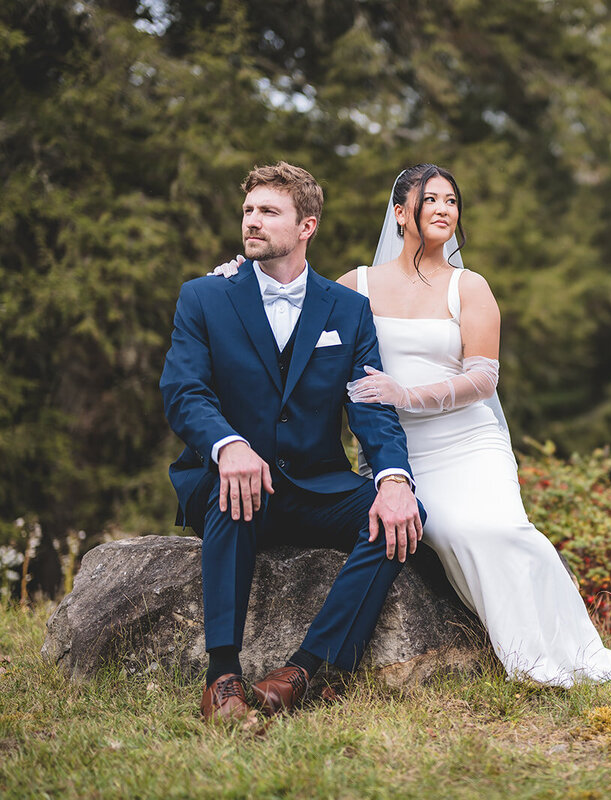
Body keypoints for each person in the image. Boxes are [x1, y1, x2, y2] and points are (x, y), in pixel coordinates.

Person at [218, 164, 611, 686]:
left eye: (451, 200)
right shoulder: (355, 286)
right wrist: (241, 276)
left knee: (497, 528)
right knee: (444, 529)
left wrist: (406, 394)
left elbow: (484, 378)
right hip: (399, 455)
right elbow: (292, 312)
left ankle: (561, 653)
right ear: (400, 214)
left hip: (468, 443)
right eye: (430, 200)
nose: (444, 209)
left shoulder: (469, 287)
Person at [161, 161, 425, 722]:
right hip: (233, 481)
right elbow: (184, 391)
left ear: (306, 226)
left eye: (268, 212)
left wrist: (394, 479)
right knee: (234, 495)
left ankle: (308, 669)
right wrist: (227, 445)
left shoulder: (347, 309)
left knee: (402, 515)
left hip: (314, 482)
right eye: (248, 211)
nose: (252, 222)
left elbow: (370, 408)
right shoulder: (204, 297)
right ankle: (222, 678)